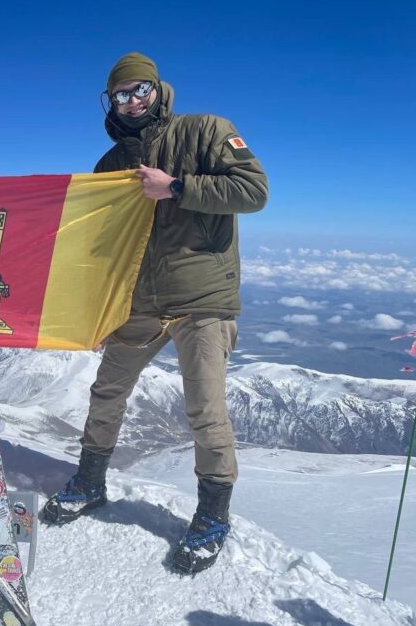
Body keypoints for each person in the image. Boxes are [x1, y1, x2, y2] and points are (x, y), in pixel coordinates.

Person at [43, 53, 268, 574]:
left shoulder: (206, 131)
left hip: (201, 299)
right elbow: (98, 245)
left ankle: (212, 516)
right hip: (139, 301)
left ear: (158, 88)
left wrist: (178, 188)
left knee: (205, 408)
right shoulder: (109, 163)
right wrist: (95, 309)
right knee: (106, 390)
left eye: (140, 89)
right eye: (121, 94)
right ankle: (90, 481)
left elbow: (254, 190)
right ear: (111, 102)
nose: (132, 101)